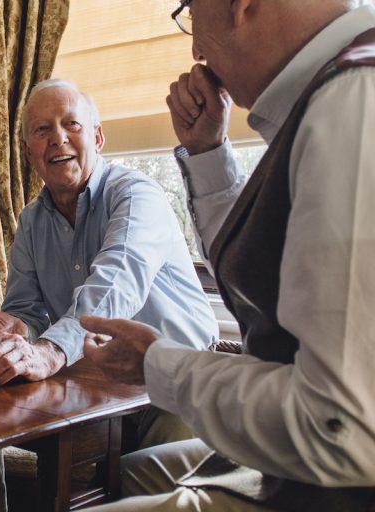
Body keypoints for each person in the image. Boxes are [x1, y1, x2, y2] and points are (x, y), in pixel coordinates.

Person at [80, 1, 375, 510]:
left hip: (339, 482)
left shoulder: (352, 100)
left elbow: (337, 427)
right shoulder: (332, 94)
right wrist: (207, 152)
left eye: (191, 12)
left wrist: (159, 365)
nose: (195, 48)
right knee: (133, 472)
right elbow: (262, 278)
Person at [0, 78, 218, 511]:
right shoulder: (31, 222)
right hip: (96, 389)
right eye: (42, 129)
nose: (58, 138)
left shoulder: (138, 195)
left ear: (98, 137)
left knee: (141, 494)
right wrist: (17, 328)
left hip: (172, 380)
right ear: (30, 151)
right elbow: (26, 307)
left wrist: (47, 351)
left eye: (72, 124)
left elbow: (114, 287)